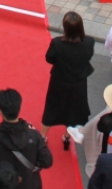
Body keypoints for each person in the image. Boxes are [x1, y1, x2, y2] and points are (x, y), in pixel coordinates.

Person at [0, 88, 53, 189]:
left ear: (0, 111)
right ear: (20, 108)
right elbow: (47, 161)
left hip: (4, 185)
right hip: (30, 184)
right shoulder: (34, 135)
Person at [41, 11, 95, 140]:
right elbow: (88, 56)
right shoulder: (89, 42)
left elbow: (49, 58)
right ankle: (67, 136)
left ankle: (43, 137)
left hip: (59, 81)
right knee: (74, 111)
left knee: (52, 108)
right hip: (78, 83)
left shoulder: (57, 43)